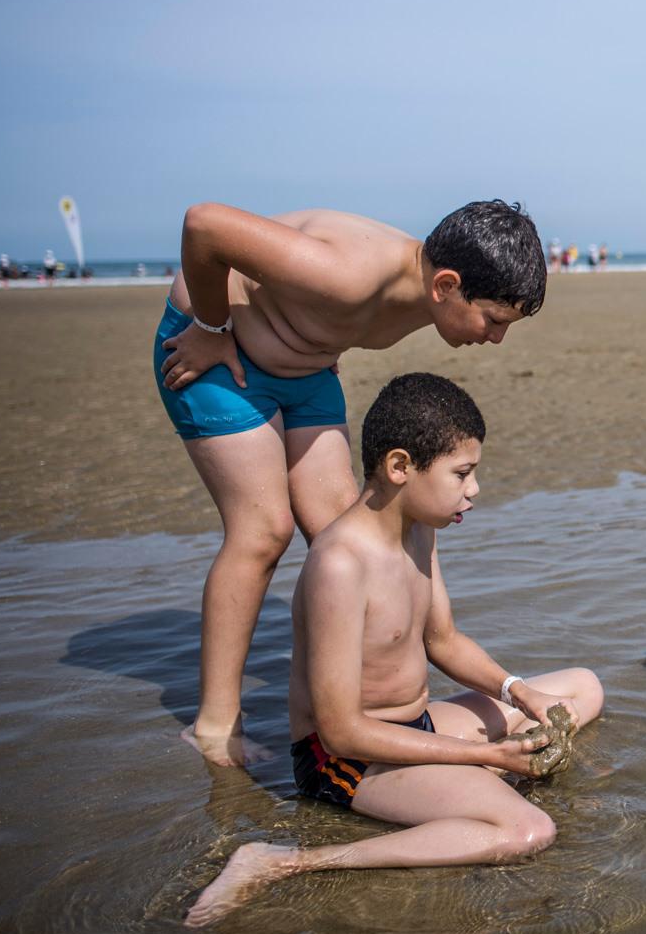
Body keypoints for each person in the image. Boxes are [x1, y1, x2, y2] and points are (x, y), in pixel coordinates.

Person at [184, 373, 604, 926]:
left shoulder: (419, 527)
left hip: (418, 726)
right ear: (400, 466)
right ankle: (287, 861)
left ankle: (474, 781)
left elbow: (443, 641)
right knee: (529, 830)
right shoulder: (340, 565)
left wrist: (518, 693)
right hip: (348, 761)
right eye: (462, 473)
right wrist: (486, 755)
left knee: (583, 686)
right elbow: (340, 732)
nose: (474, 490)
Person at [156, 200, 545, 766]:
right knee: (264, 532)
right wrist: (213, 327)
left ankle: (359, 710)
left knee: (355, 527)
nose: (495, 339)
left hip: (306, 367)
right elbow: (204, 226)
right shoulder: (348, 272)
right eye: (493, 320)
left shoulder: (429, 289)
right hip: (214, 354)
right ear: (446, 285)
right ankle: (215, 724)